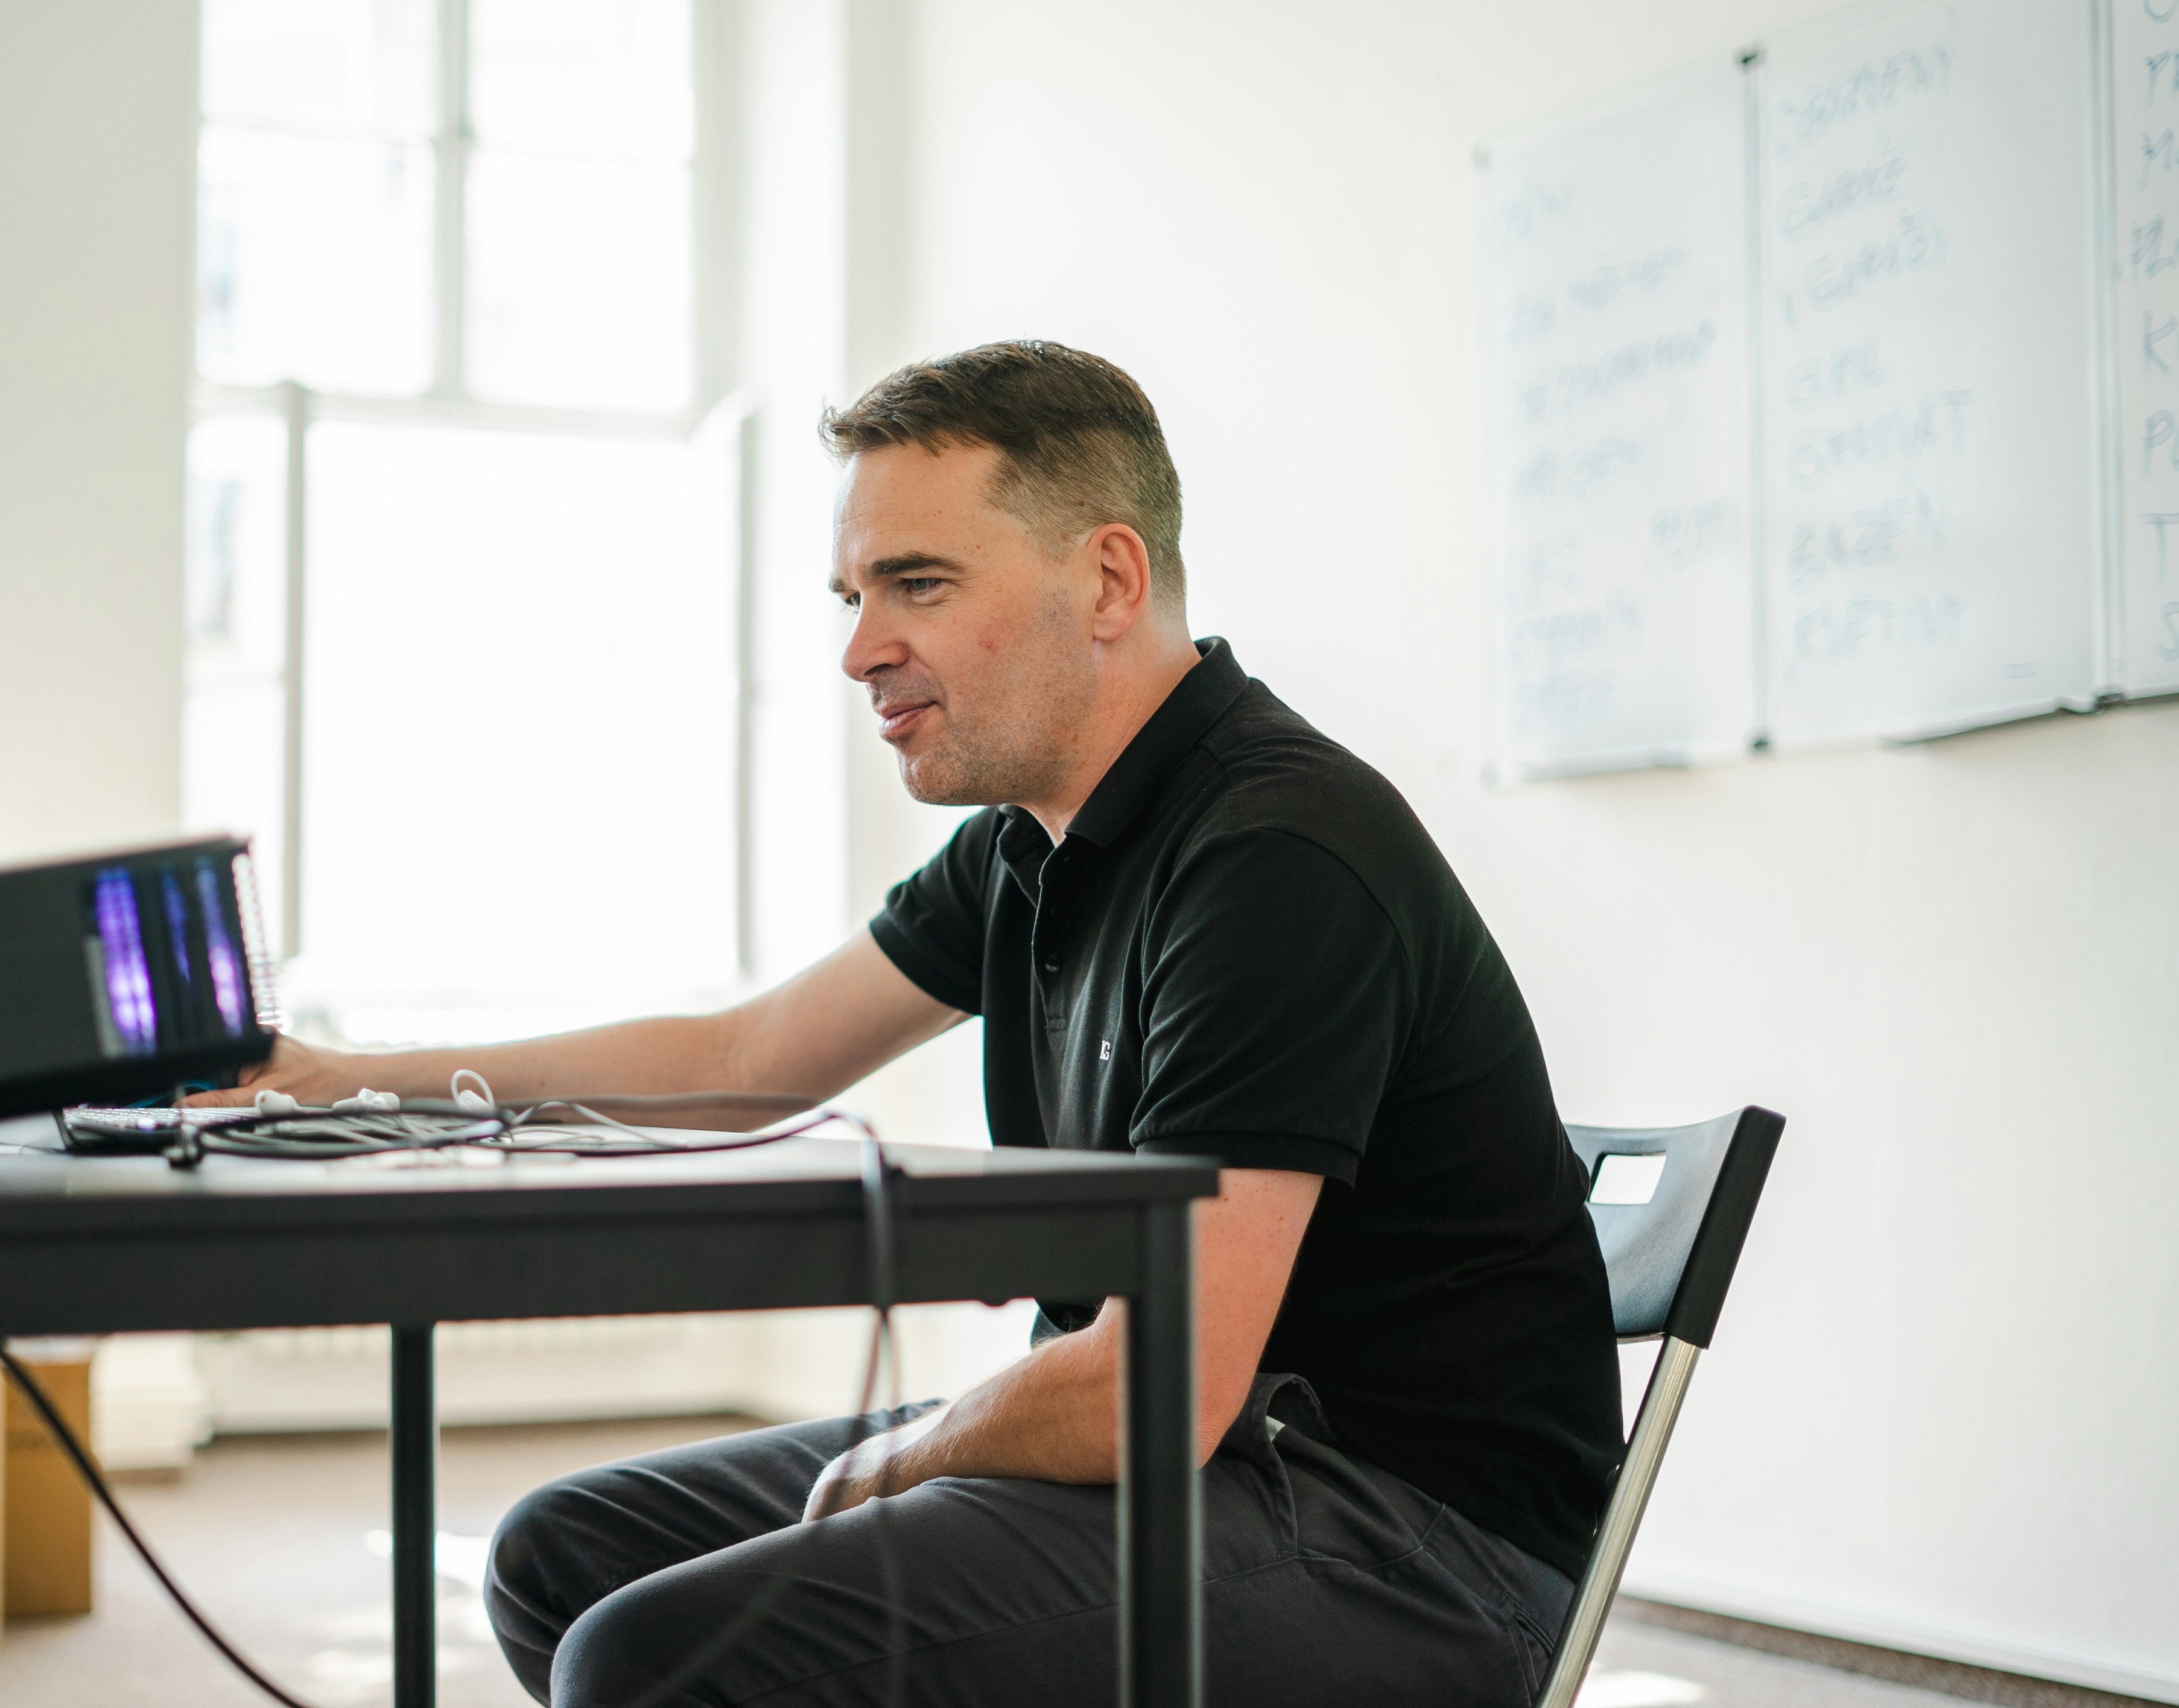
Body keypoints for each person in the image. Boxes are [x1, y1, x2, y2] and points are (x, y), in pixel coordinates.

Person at [194, 341, 1622, 1706]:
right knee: (562, 1560)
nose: (860, 650)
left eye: (917, 585)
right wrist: (340, 1080)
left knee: (647, 1662)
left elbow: (1161, 1385)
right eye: (851, 596)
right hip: (1210, 1460)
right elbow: (743, 1062)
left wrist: (912, 1457)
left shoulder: (1273, 855)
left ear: (1108, 579)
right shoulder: (1028, 844)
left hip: (1404, 1541)